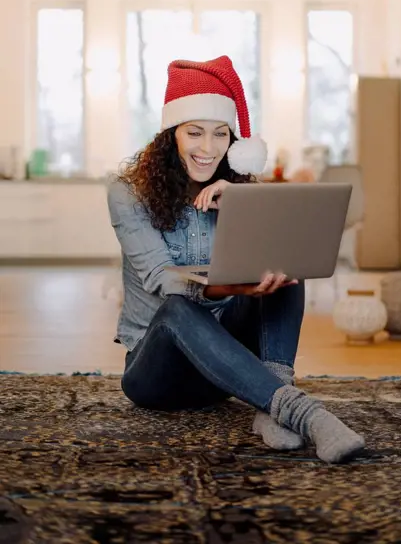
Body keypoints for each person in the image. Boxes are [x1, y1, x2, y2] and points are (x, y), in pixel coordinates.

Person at [107, 55, 365, 463]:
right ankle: (304, 414)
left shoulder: (238, 191)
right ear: (171, 134)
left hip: (223, 373)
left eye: (220, 135)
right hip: (157, 376)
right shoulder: (127, 193)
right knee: (178, 308)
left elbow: (277, 261)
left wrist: (239, 205)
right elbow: (163, 278)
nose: (208, 149)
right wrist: (233, 288)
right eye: (194, 133)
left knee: (286, 268)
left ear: (233, 141)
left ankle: (271, 406)